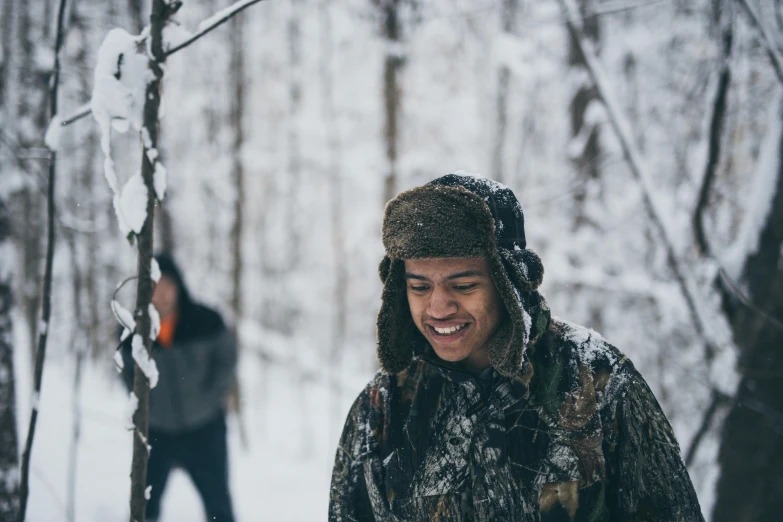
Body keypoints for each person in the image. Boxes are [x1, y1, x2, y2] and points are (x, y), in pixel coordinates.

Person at [329, 173, 704, 521]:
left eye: (463, 286)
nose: (438, 308)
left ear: (508, 284)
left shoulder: (597, 380)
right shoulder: (384, 406)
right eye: (420, 287)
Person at [120, 253, 237, 522]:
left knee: (219, 505)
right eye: (153, 288)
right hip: (156, 434)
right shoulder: (132, 331)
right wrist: (150, 410)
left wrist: (208, 402)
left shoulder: (206, 321)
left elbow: (227, 364)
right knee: (145, 507)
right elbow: (127, 375)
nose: (160, 295)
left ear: (178, 286)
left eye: (166, 287)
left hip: (205, 430)